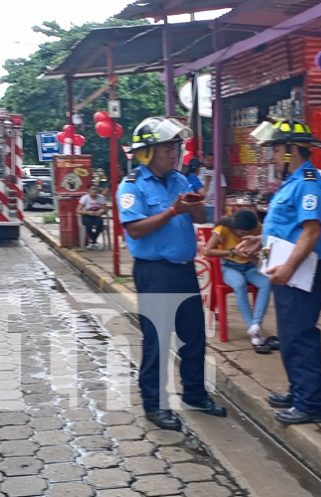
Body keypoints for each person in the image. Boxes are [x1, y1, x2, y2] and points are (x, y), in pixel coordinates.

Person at [117, 116, 227, 431]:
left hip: (183, 269)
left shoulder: (180, 180)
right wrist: (172, 211)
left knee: (194, 336)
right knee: (158, 340)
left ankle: (194, 394)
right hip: (154, 272)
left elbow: (199, 211)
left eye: (175, 146)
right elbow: (135, 230)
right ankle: (154, 404)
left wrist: (195, 206)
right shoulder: (132, 185)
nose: (174, 152)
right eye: (168, 147)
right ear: (148, 151)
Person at [237, 119, 321, 425]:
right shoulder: (293, 182)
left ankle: (311, 403)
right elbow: (285, 229)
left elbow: (310, 232)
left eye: (277, 149)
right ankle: (299, 391)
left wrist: (289, 267)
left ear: (293, 150)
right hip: (285, 269)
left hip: (298, 271)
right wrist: (259, 240)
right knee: (290, 335)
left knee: (300, 335)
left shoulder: (308, 183)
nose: (274, 155)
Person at [203, 209, 272, 354]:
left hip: (249, 265)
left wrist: (256, 255)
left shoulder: (258, 228)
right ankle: (253, 330)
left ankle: (255, 326)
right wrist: (232, 252)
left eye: (249, 233)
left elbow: (266, 250)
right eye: (242, 233)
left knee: (266, 283)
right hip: (228, 266)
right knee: (239, 284)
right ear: (234, 228)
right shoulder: (223, 229)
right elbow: (207, 251)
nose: (246, 236)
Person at [77, 184, 107, 250]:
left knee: (100, 224)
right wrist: (88, 212)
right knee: (88, 224)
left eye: (96, 189)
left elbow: (105, 209)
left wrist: (100, 211)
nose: (94, 191)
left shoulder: (101, 197)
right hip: (87, 216)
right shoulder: (85, 198)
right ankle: (94, 242)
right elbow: (78, 210)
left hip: (96, 216)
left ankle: (92, 242)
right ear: (88, 190)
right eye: (92, 189)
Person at [199, 153, 227, 223]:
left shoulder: (219, 174)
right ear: (204, 160)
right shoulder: (199, 171)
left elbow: (223, 191)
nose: (210, 162)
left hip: (213, 207)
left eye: (212, 160)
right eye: (208, 160)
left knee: (210, 227)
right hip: (200, 206)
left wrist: (222, 206)